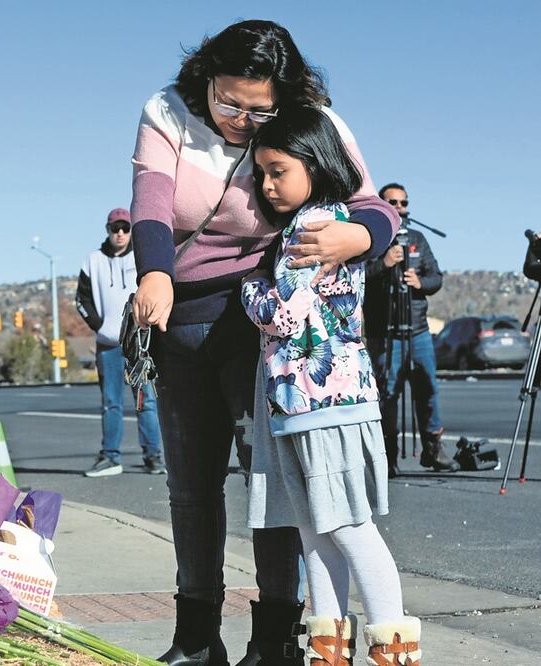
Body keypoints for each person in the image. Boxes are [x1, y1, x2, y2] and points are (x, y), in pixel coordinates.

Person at [127, 20, 400, 665]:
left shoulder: (312, 121)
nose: (244, 121)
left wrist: (356, 237)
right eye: (230, 102)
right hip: (185, 313)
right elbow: (150, 203)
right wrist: (156, 273)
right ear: (206, 81)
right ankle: (195, 638)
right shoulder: (167, 110)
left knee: (274, 485)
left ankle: (276, 637)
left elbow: (374, 204)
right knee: (192, 487)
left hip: (265, 321)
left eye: (260, 109)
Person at [242, 107, 421, 665]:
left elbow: (284, 315)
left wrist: (248, 284)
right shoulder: (327, 220)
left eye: (279, 171)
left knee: (346, 527)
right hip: (307, 404)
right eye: (262, 173)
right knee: (317, 531)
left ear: (315, 165)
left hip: (324, 404)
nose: (268, 184)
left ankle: (392, 645)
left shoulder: (313, 227)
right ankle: (329, 651)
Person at [363, 183, 457, 475]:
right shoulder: (369, 239)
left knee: (428, 387)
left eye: (404, 203)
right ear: (381, 204)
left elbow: (436, 278)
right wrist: (383, 263)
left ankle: (433, 450)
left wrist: (420, 282)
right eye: (393, 202)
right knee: (388, 393)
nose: (400, 208)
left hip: (417, 330)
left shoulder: (417, 239)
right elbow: (357, 279)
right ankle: (387, 456)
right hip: (385, 332)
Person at [76, 207, 166, 477]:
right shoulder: (93, 261)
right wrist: (99, 324)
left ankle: (153, 456)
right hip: (108, 345)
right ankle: (110, 457)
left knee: (146, 402)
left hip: (139, 344)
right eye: (115, 228)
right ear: (108, 230)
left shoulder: (142, 258)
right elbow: (81, 299)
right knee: (111, 402)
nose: (120, 233)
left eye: (125, 228)